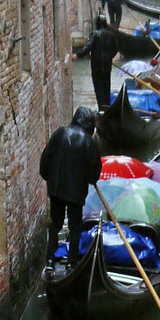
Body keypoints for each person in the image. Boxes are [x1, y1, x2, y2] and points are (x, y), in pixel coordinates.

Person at [39, 107, 101, 265]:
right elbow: (94, 173)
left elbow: (45, 159)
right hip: (76, 193)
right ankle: (72, 262)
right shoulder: (89, 142)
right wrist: (90, 180)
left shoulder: (60, 133)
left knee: (55, 224)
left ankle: (50, 260)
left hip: (56, 189)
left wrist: (48, 177)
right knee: (75, 227)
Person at [83, 17, 120, 110]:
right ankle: (106, 107)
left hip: (96, 67)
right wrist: (109, 57)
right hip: (107, 66)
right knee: (106, 86)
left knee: (98, 88)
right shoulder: (111, 35)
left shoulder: (95, 34)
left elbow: (87, 48)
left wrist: (77, 55)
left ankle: (101, 108)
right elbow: (115, 49)